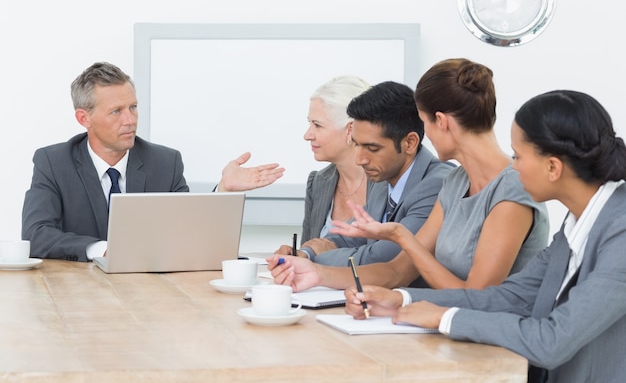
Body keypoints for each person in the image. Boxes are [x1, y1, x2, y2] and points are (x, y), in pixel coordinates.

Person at [344, 90, 626, 383]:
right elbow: (510, 297)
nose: (513, 166)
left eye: (518, 156)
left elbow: (551, 341)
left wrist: (444, 317)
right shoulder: (577, 223)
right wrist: (402, 299)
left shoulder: (621, 230)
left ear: (552, 167)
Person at [269, 58, 548, 290]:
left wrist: (403, 295)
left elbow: (477, 296)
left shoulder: (514, 187)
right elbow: (396, 272)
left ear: (441, 122)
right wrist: (315, 274)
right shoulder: (456, 182)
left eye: (424, 122)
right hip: (452, 336)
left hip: (494, 346)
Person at [22, 62, 284, 262]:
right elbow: (36, 235)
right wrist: (104, 249)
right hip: (77, 295)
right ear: (84, 118)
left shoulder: (165, 162)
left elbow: (188, 233)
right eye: (116, 111)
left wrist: (223, 191)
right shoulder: (54, 162)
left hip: (150, 295)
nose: (130, 120)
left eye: (133, 107)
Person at [276, 81, 453, 266]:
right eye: (357, 144)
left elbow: (381, 258)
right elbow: (350, 236)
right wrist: (306, 253)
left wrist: (315, 260)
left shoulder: (437, 185)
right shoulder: (385, 178)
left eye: (371, 148)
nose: (360, 159)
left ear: (409, 143)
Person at [300, 75, 372, 242]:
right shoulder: (318, 183)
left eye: (317, 125)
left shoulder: (389, 184)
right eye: (309, 123)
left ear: (350, 129)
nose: (307, 135)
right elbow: (307, 251)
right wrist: (296, 254)